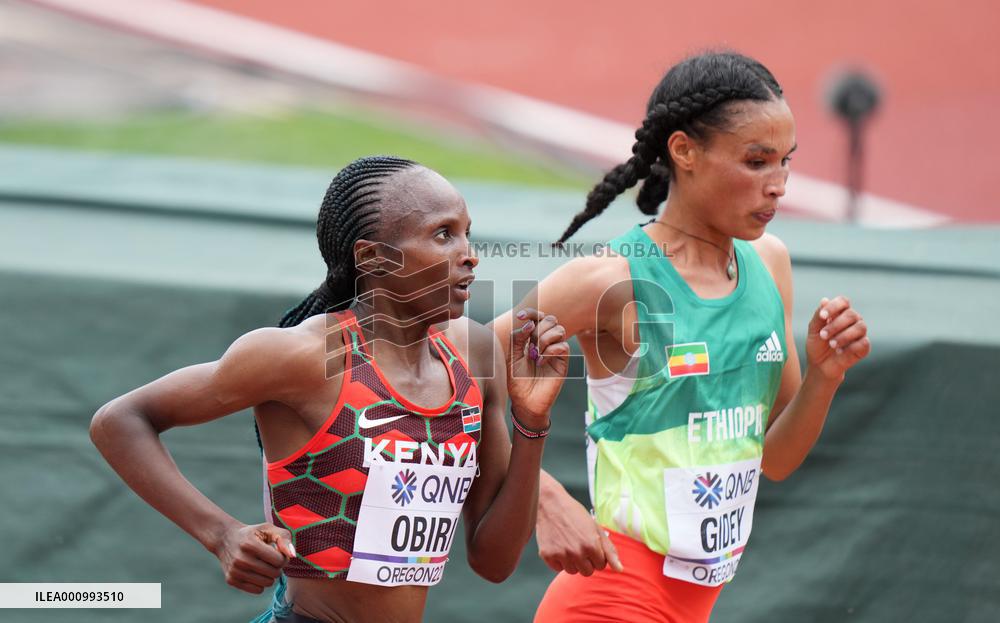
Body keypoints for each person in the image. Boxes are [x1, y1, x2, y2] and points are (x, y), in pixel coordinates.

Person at [90, 156, 570, 623]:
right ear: (372, 257)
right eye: (443, 234)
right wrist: (221, 534)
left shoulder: (475, 354)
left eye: (468, 231)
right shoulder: (301, 357)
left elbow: (494, 562)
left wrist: (532, 424)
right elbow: (120, 421)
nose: (469, 253)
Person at [491, 52, 871, 622]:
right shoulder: (610, 279)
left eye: (785, 162)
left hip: (695, 606)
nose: (779, 186)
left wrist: (825, 376)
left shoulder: (770, 264)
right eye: (756, 161)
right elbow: (440, 370)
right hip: (609, 601)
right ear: (685, 151)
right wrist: (542, 497)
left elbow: (777, 459)